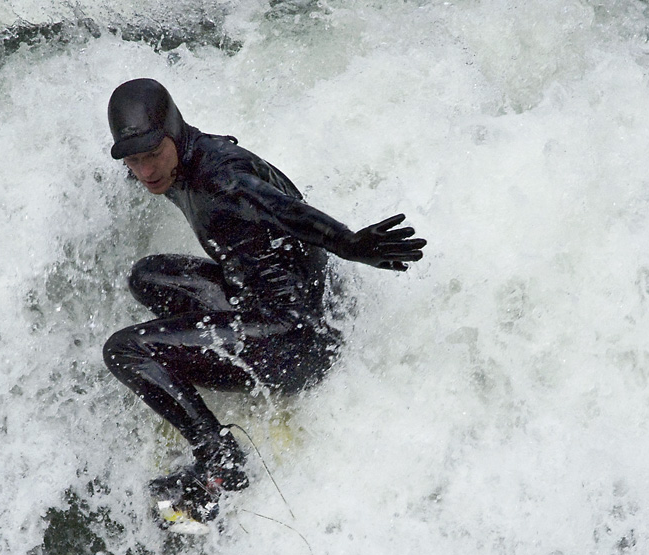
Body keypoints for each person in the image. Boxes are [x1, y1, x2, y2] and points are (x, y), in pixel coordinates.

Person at [102, 78, 426, 522]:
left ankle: (220, 459)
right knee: (147, 276)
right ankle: (194, 355)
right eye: (134, 161)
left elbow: (282, 209)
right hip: (265, 302)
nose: (146, 172)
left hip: (298, 339)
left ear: (174, 133)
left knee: (126, 349)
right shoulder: (178, 162)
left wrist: (350, 243)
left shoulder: (220, 175)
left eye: (153, 155)